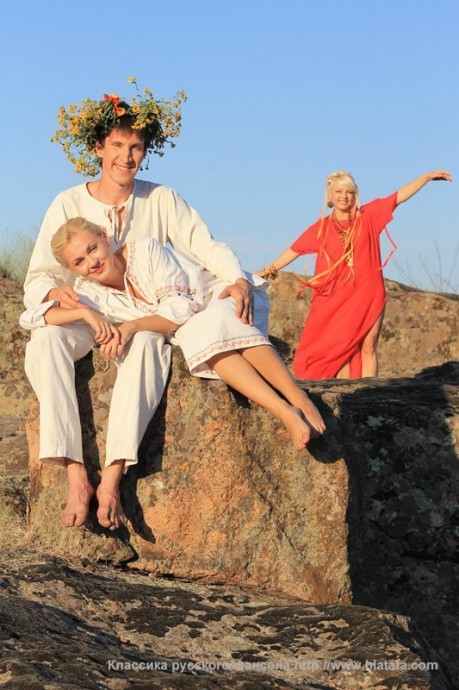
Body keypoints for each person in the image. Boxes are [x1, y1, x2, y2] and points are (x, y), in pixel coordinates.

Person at [21, 218, 326, 529]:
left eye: (92, 248)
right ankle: (283, 410)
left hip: (215, 296)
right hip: (190, 328)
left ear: (104, 237)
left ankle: (297, 397)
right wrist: (83, 312)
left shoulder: (145, 250)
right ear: (73, 271)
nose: (92, 261)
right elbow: (30, 318)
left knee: (215, 326)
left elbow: (181, 307)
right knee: (201, 340)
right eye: (79, 262)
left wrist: (132, 326)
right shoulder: (90, 294)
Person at [257, 170, 452, 380]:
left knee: (368, 345)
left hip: (368, 293)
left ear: (355, 194)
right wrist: (267, 271)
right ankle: (347, 393)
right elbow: (294, 250)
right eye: (339, 192)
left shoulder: (369, 216)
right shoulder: (321, 228)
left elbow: (397, 197)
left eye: (349, 192)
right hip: (336, 298)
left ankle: (369, 392)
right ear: (330, 195)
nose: (344, 196)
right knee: (341, 350)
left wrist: (426, 178)